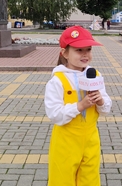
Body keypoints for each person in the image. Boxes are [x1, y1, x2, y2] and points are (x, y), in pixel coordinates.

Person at [45, 26, 112, 186]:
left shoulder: (95, 75)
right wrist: (80, 106)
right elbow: (55, 115)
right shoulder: (57, 81)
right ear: (65, 53)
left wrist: (101, 101)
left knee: (90, 179)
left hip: (90, 138)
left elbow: (106, 109)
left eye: (88, 49)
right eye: (79, 50)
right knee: (62, 179)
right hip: (66, 140)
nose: (85, 54)